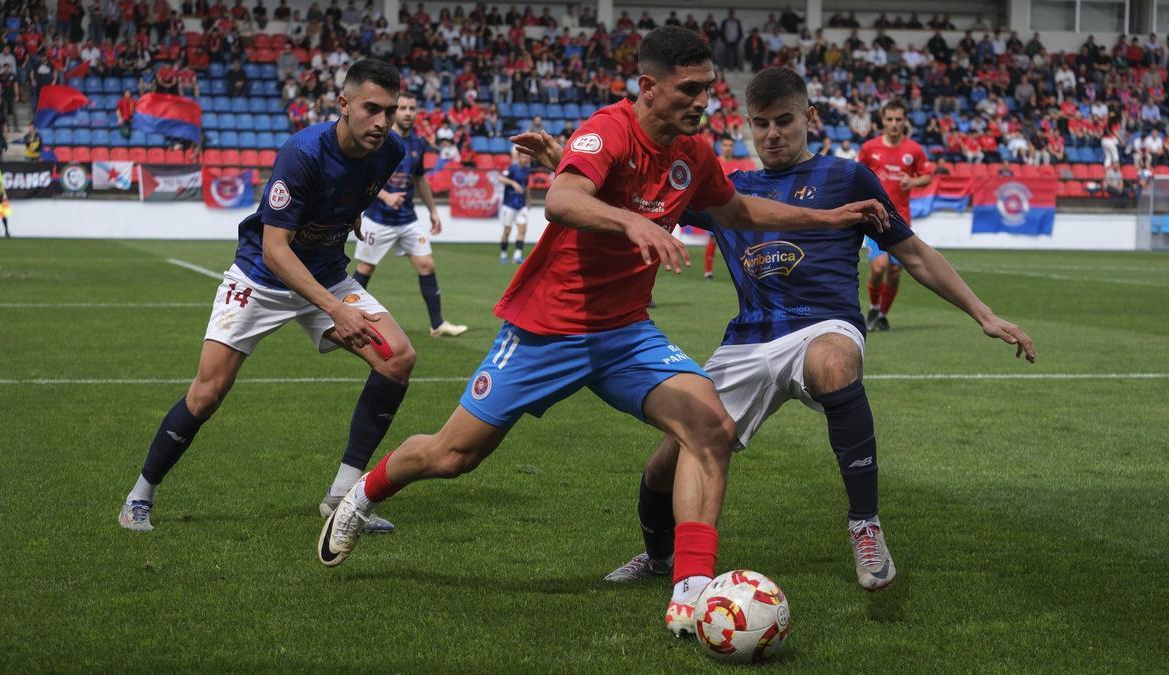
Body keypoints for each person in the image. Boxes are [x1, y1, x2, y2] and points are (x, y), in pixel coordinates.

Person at [316, 27, 887, 639]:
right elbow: (563, 198)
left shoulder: (693, 153)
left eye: (708, 88)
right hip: (546, 329)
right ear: (648, 87)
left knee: (710, 430)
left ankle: (690, 593)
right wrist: (631, 223)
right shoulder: (608, 128)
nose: (703, 101)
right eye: (689, 89)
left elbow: (738, 210)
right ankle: (362, 496)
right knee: (453, 455)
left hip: (626, 333)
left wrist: (825, 218)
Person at [578, 67, 1033, 593]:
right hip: (747, 340)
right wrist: (566, 167)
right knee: (669, 459)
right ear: (749, 125)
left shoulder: (849, 179)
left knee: (833, 362)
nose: (772, 134)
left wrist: (984, 314)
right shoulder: (729, 190)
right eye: (761, 124)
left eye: (785, 121)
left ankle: (865, 526)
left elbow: (913, 253)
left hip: (824, 326)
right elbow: (641, 197)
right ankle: (659, 557)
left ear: (810, 118)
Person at [118, 60, 416, 535]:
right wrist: (334, 309)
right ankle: (139, 495)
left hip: (325, 275)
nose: (382, 121)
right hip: (261, 278)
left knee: (397, 358)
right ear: (343, 104)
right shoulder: (303, 152)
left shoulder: (391, 150)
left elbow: (357, 188)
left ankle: (342, 498)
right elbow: (276, 251)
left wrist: (352, 214)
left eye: (390, 110)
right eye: (371, 109)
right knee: (207, 393)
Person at [351, 90, 468, 338]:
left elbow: (420, 179)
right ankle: (347, 317)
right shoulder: (379, 140)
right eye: (402, 108)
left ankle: (437, 325)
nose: (407, 113)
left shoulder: (418, 144)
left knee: (426, 264)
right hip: (379, 219)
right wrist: (385, 196)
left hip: (407, 219)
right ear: (394, 111)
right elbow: (363, 176)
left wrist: (433, 211)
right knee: (365, 268)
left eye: (412, 109)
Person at [857, 99, 931, 332]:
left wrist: (913, 181)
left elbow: (927, 176)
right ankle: (873, 307)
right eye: (889, 119)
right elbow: (857, 175)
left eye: (898, 119)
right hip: (875, 219)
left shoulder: (914, 150)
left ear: (905, 120)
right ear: (883, 120)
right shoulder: (870, 148)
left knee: (896, 271)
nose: (894, 123)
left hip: (901, 219)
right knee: (879, 267)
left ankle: (882, 315)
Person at [704, 137, 738, 280]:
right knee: (713, 238)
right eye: (725, 145)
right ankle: (708, 271)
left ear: (733, 147)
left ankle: (739, 271)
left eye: (730, 145)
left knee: (736, 241)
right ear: (720, 147)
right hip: (716, 206)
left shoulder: (738, 166)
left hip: (734, 208)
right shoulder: (714, 163)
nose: (727, 148)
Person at [496, 148, 532, 264]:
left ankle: (517, 256)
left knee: (522, 230)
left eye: (528, 157)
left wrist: (528, 200)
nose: (526, 159)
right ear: (519, 157)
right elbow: (500, 178)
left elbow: (526, 186)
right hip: (509, 204)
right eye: (524, 157)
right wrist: (512, 183)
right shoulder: (512, 168)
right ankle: (503, 254)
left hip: (521, 205)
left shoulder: (527, 170)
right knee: (507, 231)